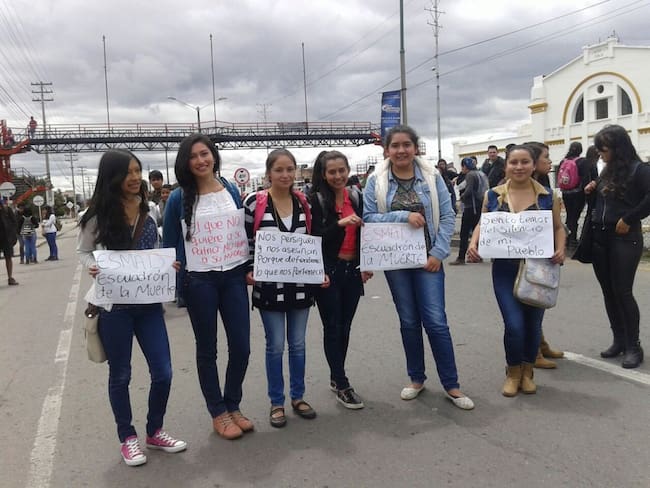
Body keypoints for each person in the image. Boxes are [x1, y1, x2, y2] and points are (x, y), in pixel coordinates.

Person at [77, 149, 186, 467]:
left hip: (149, 305)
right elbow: (83, 251)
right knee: (121, 374)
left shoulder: (149, 209)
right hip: (115, 308)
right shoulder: (96, 216)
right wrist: (92, 266)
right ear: (113, 177)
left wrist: (166, 265)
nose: (135, 177)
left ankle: (155, 431)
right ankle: (127, 437)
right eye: (128, 172)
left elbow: (154, 248)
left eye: (137, 170)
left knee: (163, 372)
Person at [363, 125, 474, 410]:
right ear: (387, 150)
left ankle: (451, 384)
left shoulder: (432, 177)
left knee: (436, 321)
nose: (401, 150)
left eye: (406, 145)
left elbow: (447, 215)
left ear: (415, 148)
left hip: (429, 260)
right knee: (409, 321)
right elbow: (369, 217)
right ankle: (416, 378)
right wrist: (403, 216)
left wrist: (438, 253)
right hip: (396, 262)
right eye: (395, 145)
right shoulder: (376, 181)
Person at [163, 134, 254, 439]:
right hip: (199, 281)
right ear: (185, 163)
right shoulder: (178, 198)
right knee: (207, 349)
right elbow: (170, 244)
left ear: (214, 156)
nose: (200, 160)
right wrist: (172, 274)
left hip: (233, 276)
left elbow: (241, 232)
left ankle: (233, 403)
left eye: (204, 154)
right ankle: (218, 411)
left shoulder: (230, 189)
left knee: (241, 346)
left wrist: (249, 267)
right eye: (193, 156)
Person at [467, 145, 566, 396]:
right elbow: (483, 223)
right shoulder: (493, 195)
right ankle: (512, 372)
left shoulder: (548, 196)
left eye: (525, 162)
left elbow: (558, 227)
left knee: (533, 324)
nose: (519, 167)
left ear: (533, 165)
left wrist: (561, 249)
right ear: (506, 166)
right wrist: (473, 243)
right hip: (505, 270)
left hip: (539, 270)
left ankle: (527, 372)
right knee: (514, 324)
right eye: (514, 162)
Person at [244, 148, 327, 427]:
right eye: (279, 170)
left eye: (290, 169)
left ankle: (298, 396)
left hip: (301, 287)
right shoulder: (254, 203)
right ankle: (276, 401)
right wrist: (248, 269)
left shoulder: (304, 203)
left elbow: (312, 242)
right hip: (268, 288)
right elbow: (244, 242)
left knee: (299, 344)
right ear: (269, 173)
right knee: (276, 345)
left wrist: (319, 272)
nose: (285, 174)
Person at [309, 150, 373, 409]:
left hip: (352, 270)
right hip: (329, 270)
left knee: (345, 327)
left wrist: (366, 264)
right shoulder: (316, 200)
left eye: (341, 170)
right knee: (333, 327)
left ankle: (337, 376)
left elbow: (366, 234)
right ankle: (342, 383)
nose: (338, 176)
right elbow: (314, 237)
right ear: (324, 174)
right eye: (332, 172)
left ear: (348, 171)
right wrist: (340, 224)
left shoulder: (356, 197)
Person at [584, 124, 650, 369]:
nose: (601, 154)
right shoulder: (607, 170)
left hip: (624, 237)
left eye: (604, 149)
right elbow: (607, 200)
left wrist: (629, 218)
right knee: (608, 292)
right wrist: (592, 190)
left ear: (618, 148)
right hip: (600, 237)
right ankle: (619, 340)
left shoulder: (640, 169)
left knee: (622, 291)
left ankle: (634, 346)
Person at [527, 142, 565, 368]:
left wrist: (559, 247)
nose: (550, 162)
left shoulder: (545, 186)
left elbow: (556, 224)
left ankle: (540, 344)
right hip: (525, 257)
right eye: (546, 157)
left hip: (545, 253)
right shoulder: (515, 188)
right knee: (531, 303)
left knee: (539, 301)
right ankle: (534, 353)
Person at [449, 157, 486, 265]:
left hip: (470, 206)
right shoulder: (480, 173)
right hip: (479, 205)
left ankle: (461, 257)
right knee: (476, 232)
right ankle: (477, 255)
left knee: (464, 233)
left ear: (465, 166)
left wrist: (462, 197)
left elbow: (469, 190)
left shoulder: (470, 175)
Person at [558, 142, 589, 248]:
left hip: (566, 193)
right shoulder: (582, 161)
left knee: (569, 215)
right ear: (580, 150)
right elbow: (585, 178)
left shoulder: (563, 161)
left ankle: (566, 238)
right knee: (575, 217)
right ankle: (572, 239)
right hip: (578, 193)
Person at [0, 198, 18, 285]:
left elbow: (14, 222)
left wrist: (12, 235)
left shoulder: (7, 209)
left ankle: (10, 278)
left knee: (8, 257)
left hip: (7, 238)